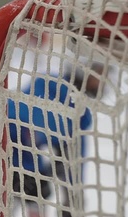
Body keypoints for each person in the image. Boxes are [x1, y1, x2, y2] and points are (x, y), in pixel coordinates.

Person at [8, 63, 105, 217]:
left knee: (37, 191)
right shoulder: (49, 85)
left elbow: (75, 152)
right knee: (34, 190)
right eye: (99, 74)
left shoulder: (80, 110)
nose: (102, 81)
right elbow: (24, 119)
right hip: (8, 144)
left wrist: (73, 190)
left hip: (21, 147)